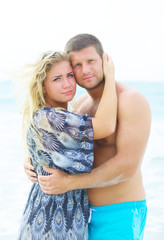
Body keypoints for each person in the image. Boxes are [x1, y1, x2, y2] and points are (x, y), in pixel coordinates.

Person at [24, 34, 151, 240]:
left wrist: (69, 183)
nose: (85, 70)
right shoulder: (80, 105)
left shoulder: (130, 100)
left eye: (91, 61)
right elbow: (61, 146)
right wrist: (33, 162)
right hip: (81, 218)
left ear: (104, 60)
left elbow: (127, 166)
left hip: (119, 213)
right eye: (77, 65)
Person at [18, 50, 117, 239]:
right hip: (52, 225)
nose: (67, 84)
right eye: (57, 79)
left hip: (59, 217)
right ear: (43, 85)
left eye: (70, 76)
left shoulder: (48, 115)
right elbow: (106, 126)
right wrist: (110, 77)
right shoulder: (51, 117)